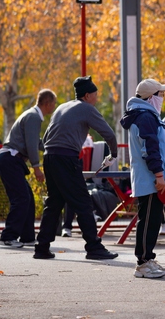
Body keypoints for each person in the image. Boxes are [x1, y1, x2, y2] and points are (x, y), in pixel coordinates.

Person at [34, 76, 119, 260]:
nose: (96, 99)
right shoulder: (87, 109)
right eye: (95, 95)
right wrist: (113, 153)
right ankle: (94, 247)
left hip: (50, 157)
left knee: (54, 203)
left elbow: (47, 136)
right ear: (87, 95)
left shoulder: (61, 107)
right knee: (83, 202)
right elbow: (109, 133)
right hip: (66, 158)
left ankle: (41, 247)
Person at [121, 79, 165, 279]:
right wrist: (159, 175)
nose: (162, 98)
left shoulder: (146, 115)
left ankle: (148, 258)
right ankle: (143, 263)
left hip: (151, 179)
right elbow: (150, 149)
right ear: (150, 97)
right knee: (148, 220)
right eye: (160, 94)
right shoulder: (145, 117)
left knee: (153, 219)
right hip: (151, 179)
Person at [0, 89, 57, 248]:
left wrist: (52, 147)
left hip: (10, 159)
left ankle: (27, 237)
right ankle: (8, 237)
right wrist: (36, 167)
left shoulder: (31, 115)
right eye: (54, 103)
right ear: (47, 103)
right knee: (21, 198)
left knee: (27, 198)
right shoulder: (34, 117)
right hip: (11, 159)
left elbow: (35, 142)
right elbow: (31, 145)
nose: (54, 107)